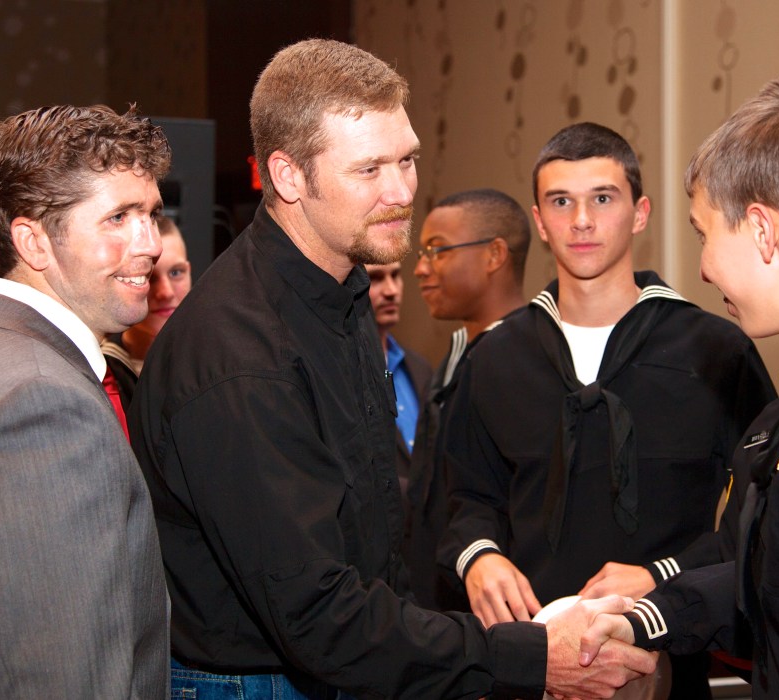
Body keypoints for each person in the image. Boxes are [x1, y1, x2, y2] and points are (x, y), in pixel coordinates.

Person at [130, 38, 654, 699]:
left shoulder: (340, 293)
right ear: (288, 176)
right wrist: (523, 656)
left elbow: (375, 539)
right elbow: (317, 615)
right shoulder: (241, 355)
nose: (402, 191)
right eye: (369, 169)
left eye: (406, 159)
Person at [580, 78, 779, 699]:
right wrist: (644, 618)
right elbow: (775, 587)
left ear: (761, 229)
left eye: (705, 235)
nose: (702, 269)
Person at [438, 122, 774, 697]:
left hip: (670, 662)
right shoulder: (494, 357)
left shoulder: (716, 351)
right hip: (529, 664)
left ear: (640, 213)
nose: (583, 221)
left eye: (603, 198)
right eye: (561, 202)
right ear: (540, 222)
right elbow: (461, 494)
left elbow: (761, 513)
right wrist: (479, 558)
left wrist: (660, 575)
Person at [0, 105, 172, 697]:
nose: (150, 244)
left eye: (151, 215)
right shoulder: (38, 407)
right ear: (33, 240)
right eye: (118, 217)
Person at [405, 187, 530, 611]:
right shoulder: (456, 355)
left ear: (494, 255)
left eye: (438, 251)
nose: (421, 269)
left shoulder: (527, 364)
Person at [102, 213, 193, 420]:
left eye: (176, 273)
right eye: (149, 275)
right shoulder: (102, 369)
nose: (166, 293)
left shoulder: (213, 357)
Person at [364, 260, 431, 523]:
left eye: (396, 275)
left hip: (429, 542)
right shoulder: (341, 374)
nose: (391, 290)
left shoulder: (420, 368)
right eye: (377, 278)